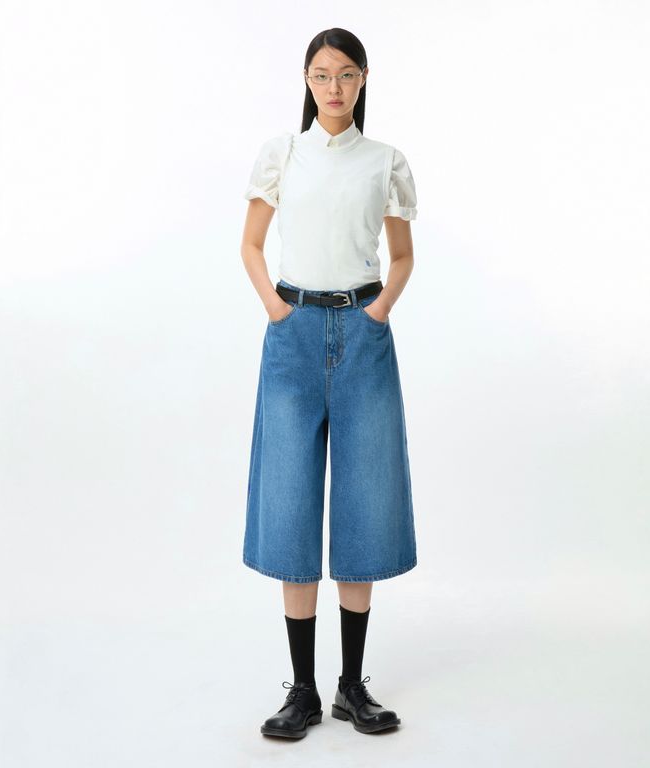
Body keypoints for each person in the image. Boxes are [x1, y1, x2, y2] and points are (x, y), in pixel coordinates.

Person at [240, 28, 418, 739]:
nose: (334, 87)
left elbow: (401, 256)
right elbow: (251, 244)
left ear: (363, 79)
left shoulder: (385, 161)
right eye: (321, 74)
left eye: (346, 74)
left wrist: (377, 312)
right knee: (288, 503)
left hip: (363, 336)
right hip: (293, 336)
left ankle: (351, 686)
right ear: (307, 81)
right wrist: (277, 311)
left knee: (365, 502)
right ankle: (303, 690)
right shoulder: (283, 154)